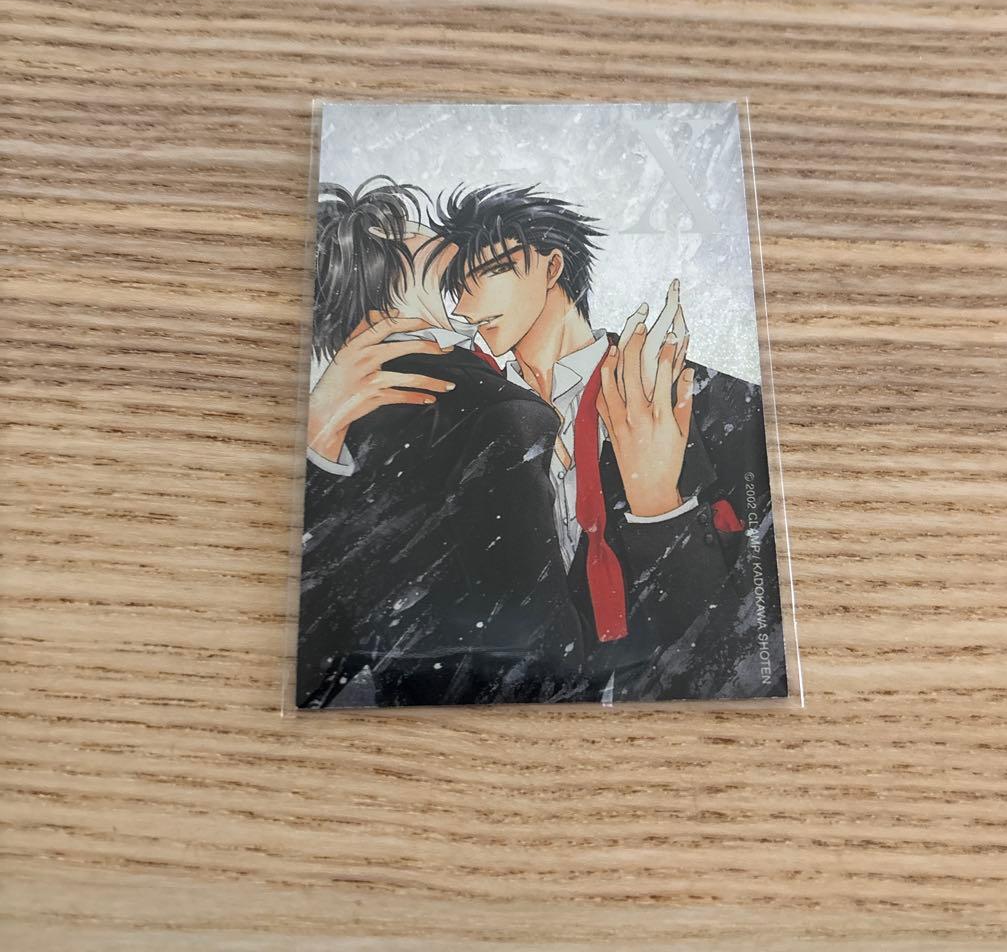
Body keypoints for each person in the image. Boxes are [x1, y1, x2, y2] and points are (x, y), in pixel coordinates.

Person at [426, 184, 787, 702]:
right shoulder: (463, 417)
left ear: (552, 267)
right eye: (456, 289)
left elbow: (755, 659)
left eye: (480, 277)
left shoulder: (709, 398)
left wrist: (660, 509)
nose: (463, 307)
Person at [297, 178, 583, 708]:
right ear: (384, 264)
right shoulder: (491, 409)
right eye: (416, 234)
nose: (445, 243)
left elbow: (324, 643)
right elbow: (539, 632)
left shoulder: (351, 418)